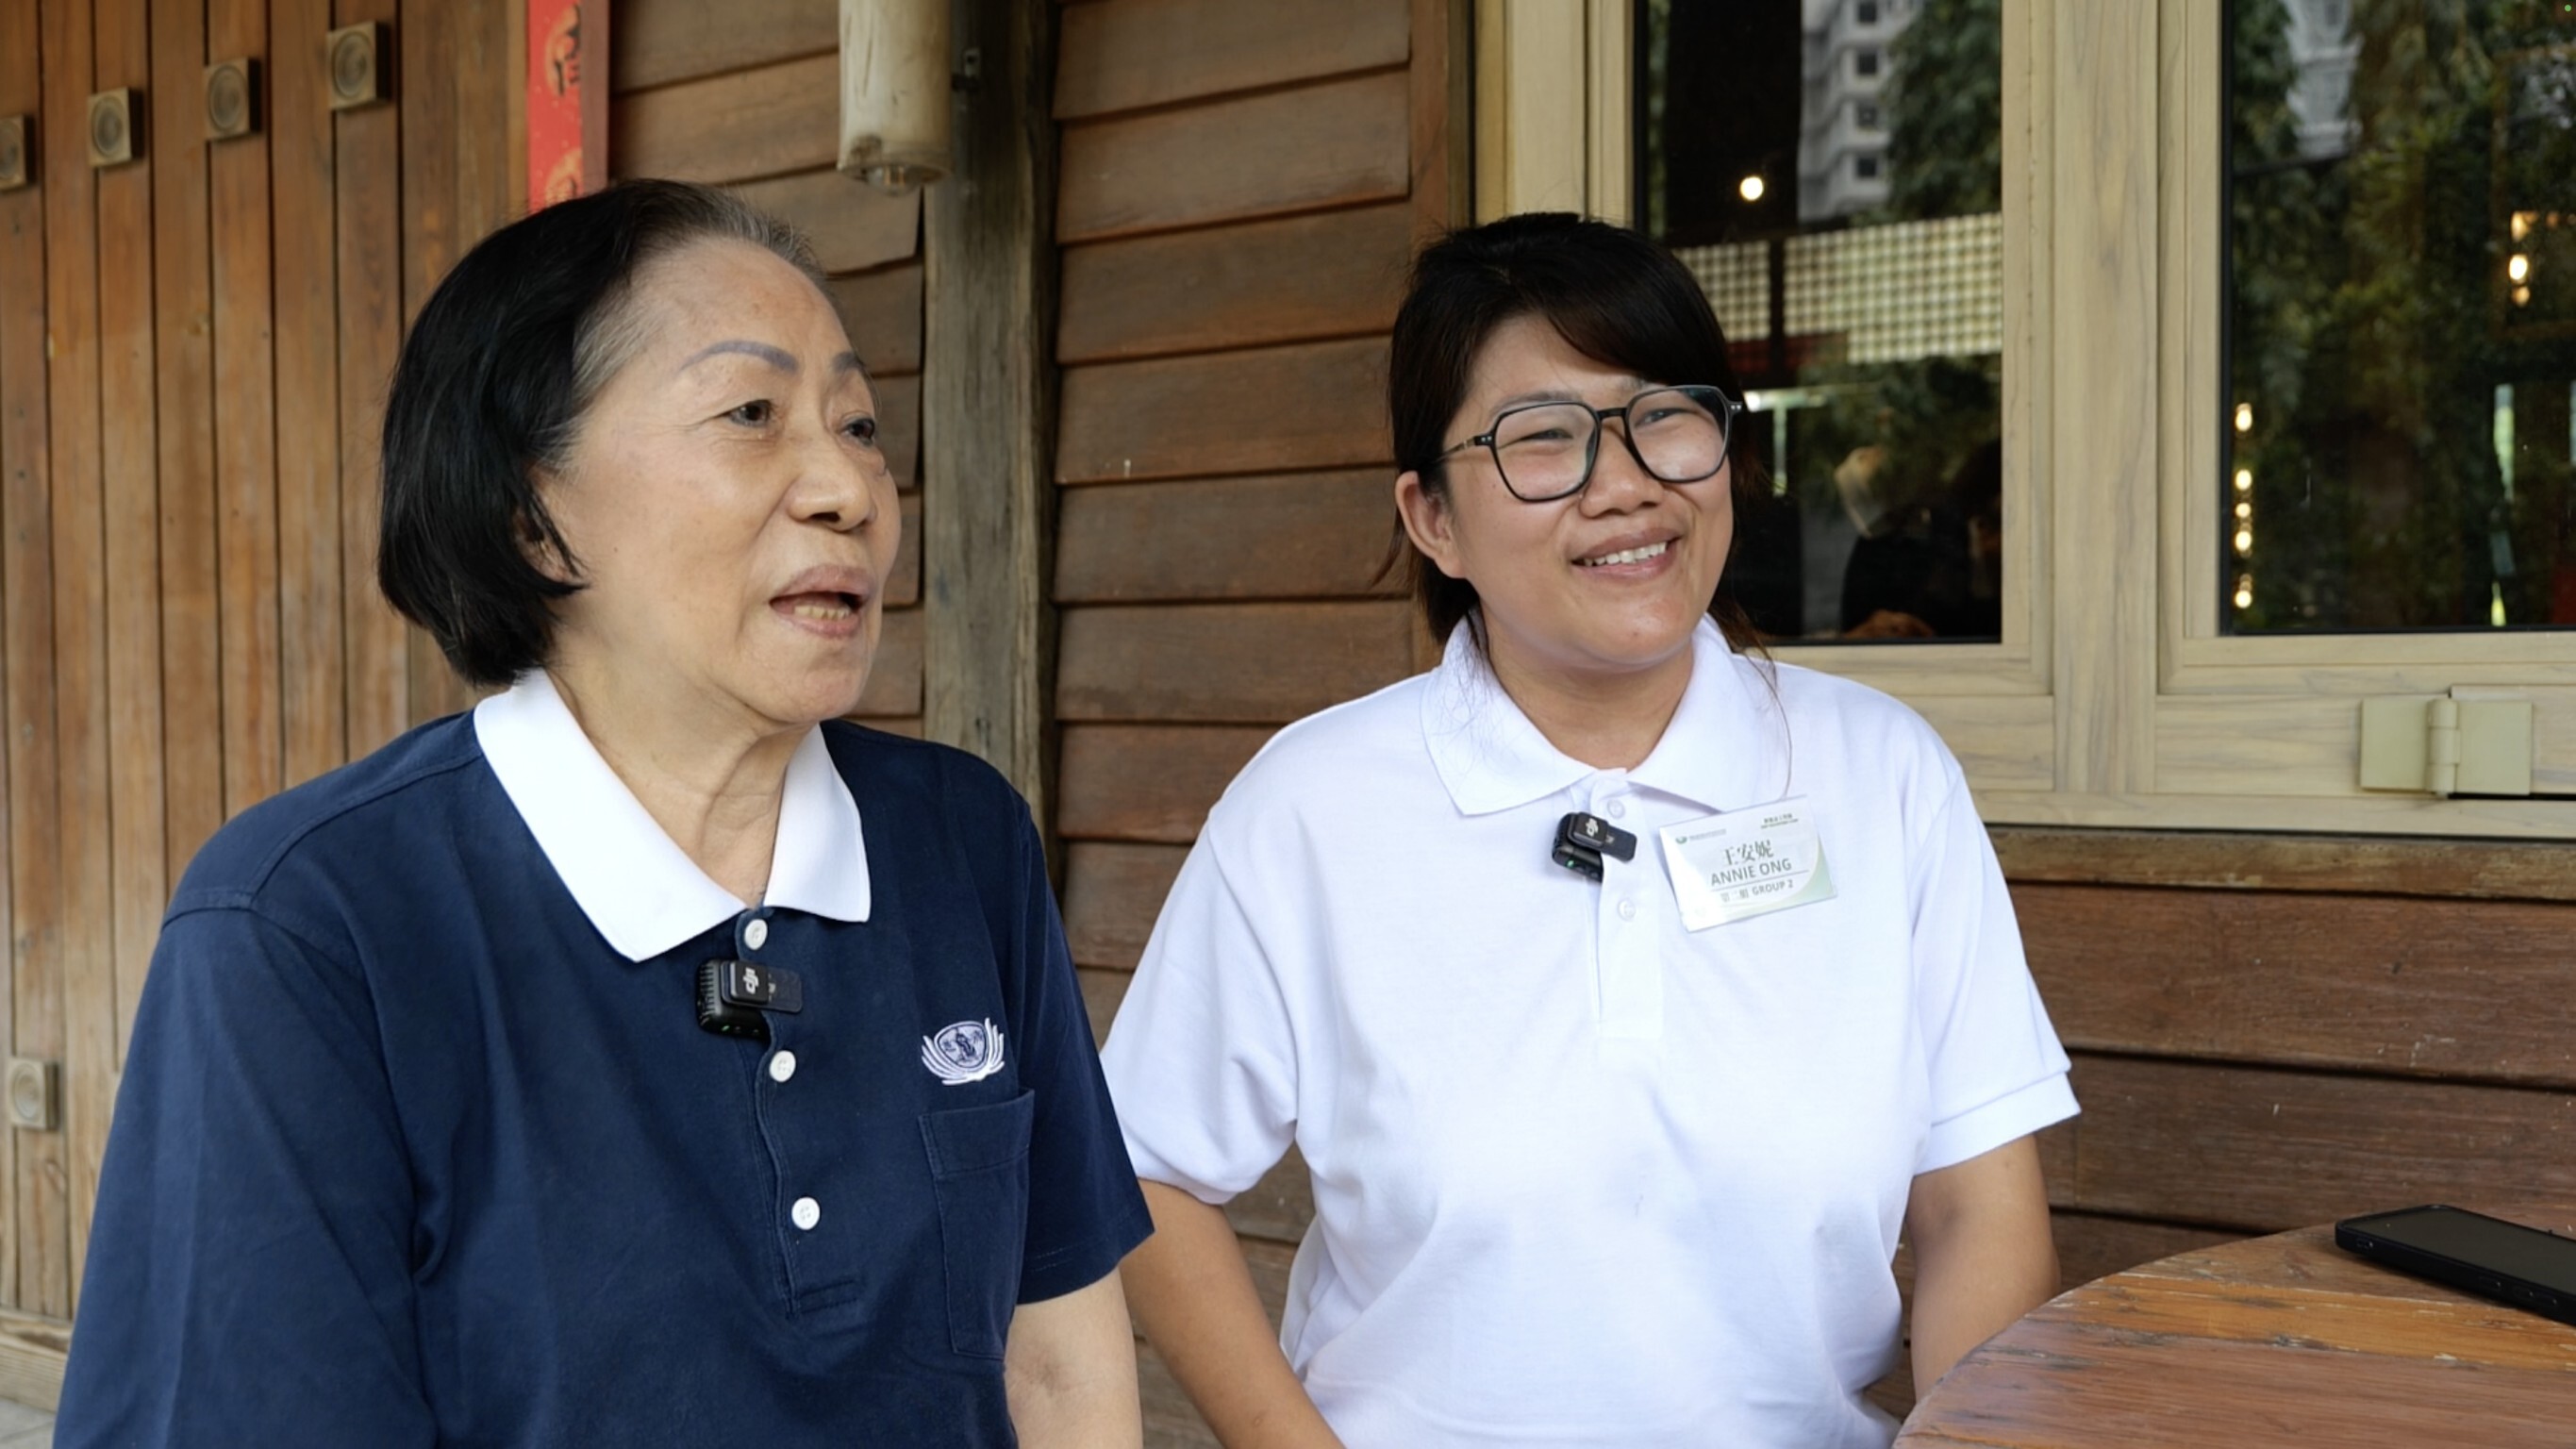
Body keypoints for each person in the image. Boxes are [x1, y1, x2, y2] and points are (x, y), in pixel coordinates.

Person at [57, 181, 1149, 1448]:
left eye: (858, 424)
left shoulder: (961, 841)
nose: (849, 486)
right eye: (752, 413)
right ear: (533, 514)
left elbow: (1059, 1366)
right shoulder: (309, 928)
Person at [1101, 212, 2075, 1448]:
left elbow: (1973, 1209)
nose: (1626, 484)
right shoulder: (1314, 809)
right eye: (1543, 439)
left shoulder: (1880, 777)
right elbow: (1142, 1169)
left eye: (1664, 414)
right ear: (1431, 517)